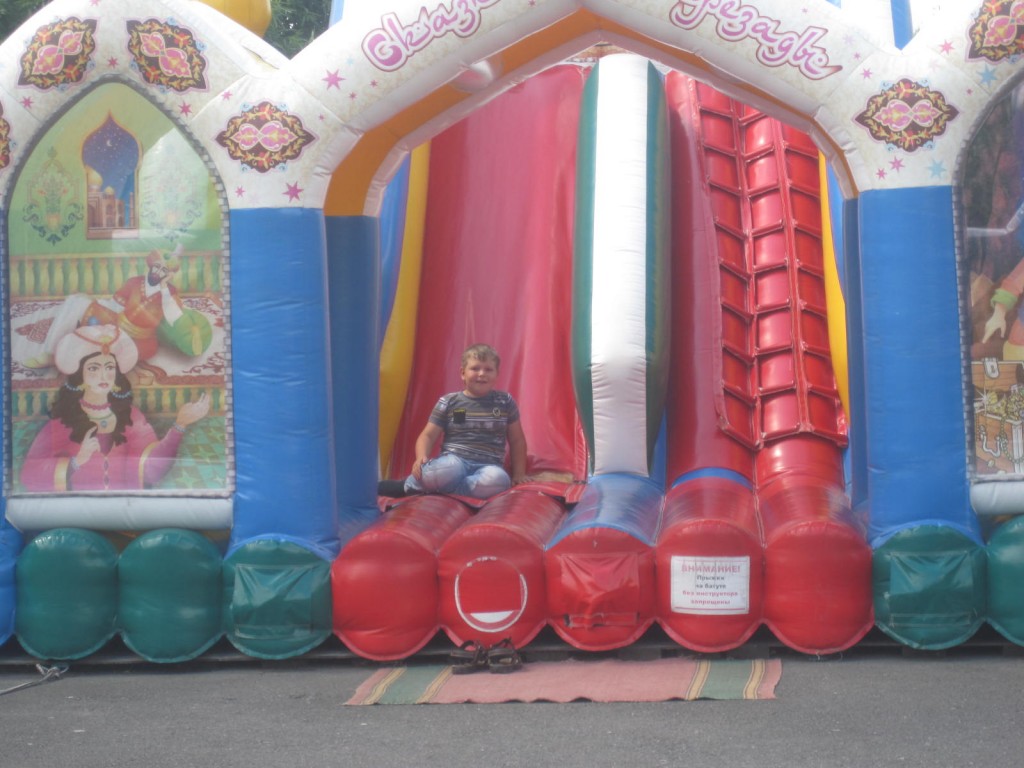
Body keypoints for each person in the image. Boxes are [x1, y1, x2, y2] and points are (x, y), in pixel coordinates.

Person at [19, 324, 211, 492]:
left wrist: (180, 425)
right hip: (80, 511)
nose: (104, 376)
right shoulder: (63, 420)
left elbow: (152, 471)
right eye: (94, 368)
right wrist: (76, 462)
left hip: (126, 508)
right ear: (80, 375)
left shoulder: (131, 416)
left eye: (109, 367)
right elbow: (31, 475)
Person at [24, 244, 212, 369]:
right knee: (77, 301)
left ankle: (74, 352)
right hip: (118, 324)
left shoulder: (169, 293)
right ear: (150, 265)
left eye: (164, 270)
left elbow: (173, 316)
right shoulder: (134, 282)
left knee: (100, 347)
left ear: (168, 274)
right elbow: (115, 304)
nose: (158, 272)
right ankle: (50, 352)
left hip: (140, 342)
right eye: (157, 266)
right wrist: (93, 304)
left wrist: (164, 288)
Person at [392, 343, 527, 499]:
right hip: (455, 461)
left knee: (499, 480)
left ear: (497, 374)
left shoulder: (505, 402)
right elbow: (428, 435)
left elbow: (517, 440)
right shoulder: (449, 401)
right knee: (447, 470)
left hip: (488, 466)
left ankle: (444, 490)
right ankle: (409, 485)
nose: (481, 374)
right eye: (475, 368)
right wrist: (421, 456)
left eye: (488, 369)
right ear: (463, 373)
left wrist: (519, 473)